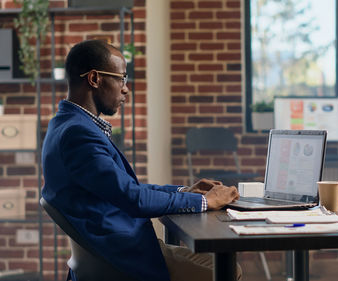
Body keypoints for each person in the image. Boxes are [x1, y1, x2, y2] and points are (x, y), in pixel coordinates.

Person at [41, 39, 240, 281]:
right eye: (121, 78)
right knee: (227, 272)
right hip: (125, 258)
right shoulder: (78, 134)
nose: (126, 89)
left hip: (115, 250)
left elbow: (126, 189)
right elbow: (133, 199)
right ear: (94, 79)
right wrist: (205, 203)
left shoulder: (64, 124)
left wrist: (185, 191)